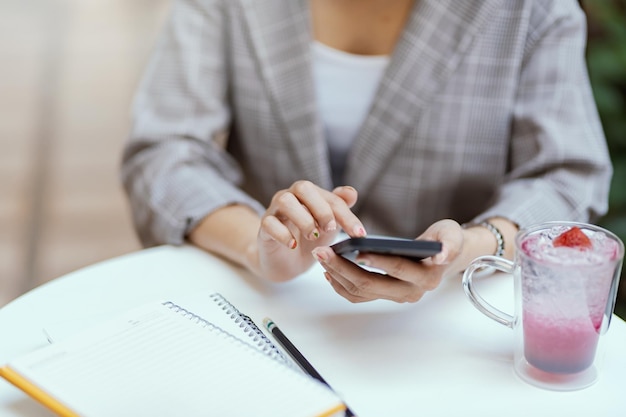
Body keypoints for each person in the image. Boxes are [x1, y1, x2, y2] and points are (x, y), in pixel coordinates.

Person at [121, 0, 611, 303]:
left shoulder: (531, 8)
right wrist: (258, 245)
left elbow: (567, 175)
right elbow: (165, 151)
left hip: (452, 318)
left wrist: (471, 248)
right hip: (272, 309)